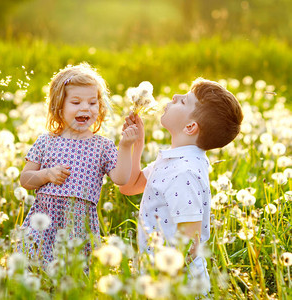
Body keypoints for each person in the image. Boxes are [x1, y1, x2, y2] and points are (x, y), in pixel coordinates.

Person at [119, 78, 243, 289]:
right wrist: (137, 144)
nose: (175, 97)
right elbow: (130, 186)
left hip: (178, 286)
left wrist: (166, 280)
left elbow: (190, 242)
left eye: (184, 101)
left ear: (190, 126)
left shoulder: (184, 172)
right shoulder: (173, 160)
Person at [18, 63, 138, 266]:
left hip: (80, 227)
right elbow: (25, 180)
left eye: (92, 103)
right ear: (59, 106)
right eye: (76, 102)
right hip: (44, 223)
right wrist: (46, 174)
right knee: (37, 271)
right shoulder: (46, 141)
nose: (85, 108)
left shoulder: (102, 146)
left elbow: (121, 178)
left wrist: (125, 146)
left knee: (74, 276)